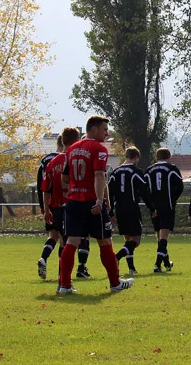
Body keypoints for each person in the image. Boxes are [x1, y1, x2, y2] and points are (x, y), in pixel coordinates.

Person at [56, 115, 133, 294]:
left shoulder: (72, 149)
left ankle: (64, 285)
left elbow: (64, 178)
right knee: (105, 241)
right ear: (94, 129)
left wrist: (75, 187)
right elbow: (99, 175)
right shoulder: (99, 149)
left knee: (71, 242)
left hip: (73, 202)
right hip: (91, 203)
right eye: (104, 129)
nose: (107, 133)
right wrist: (100, 200)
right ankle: (115, 283)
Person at [39, 128, 79, 280]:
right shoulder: (75, 159)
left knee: (57, 237)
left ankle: (59, 274)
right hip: (71, 206)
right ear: (76, 141)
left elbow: (45, 189)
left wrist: (46, 209)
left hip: (55, 207)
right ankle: (63, 278)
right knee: (68, 243)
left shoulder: (52, 162)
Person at [108, 146, 152, 276]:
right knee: (136, 241)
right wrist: (152, 207)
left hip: (119, 208)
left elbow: (109, 193)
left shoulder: (115, 172)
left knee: (128, 240)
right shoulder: (136, 172)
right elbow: (144, 191)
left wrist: (110, 212)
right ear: (136, 157)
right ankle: (116, 257)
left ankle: (131, 269)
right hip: (131, 207)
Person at [145, 148, 184, 273]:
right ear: (169, 157)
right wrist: (173, 199)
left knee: (160, 237)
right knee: (164, 238)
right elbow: (180, 186)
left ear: (156, 157)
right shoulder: (172, 168)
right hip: (167, 206)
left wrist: (150, 204)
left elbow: (144, 189)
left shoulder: (148, 170)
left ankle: (167, 263)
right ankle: (157, 265)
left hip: (154, 207)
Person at [37, 132, 65, 279]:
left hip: (49, 203)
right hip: (63, 203)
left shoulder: (45, 160)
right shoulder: (66, 158)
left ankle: (43, 258)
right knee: (64, 239)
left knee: (53, 235)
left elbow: (40, 185)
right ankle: (62, 274)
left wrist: (43, 206)